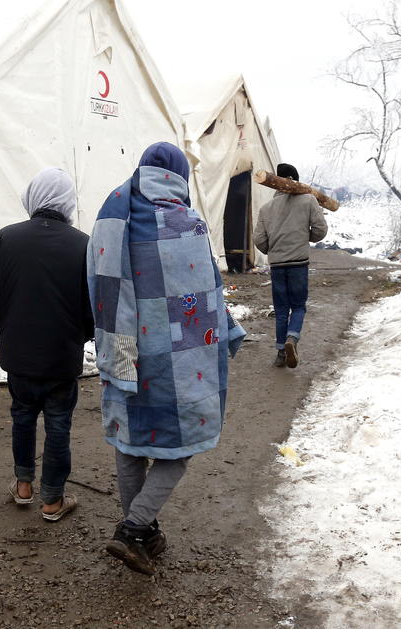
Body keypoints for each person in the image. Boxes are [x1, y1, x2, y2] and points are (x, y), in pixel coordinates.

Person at [87, 142, 246, 575]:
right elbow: (208, 292)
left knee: (130, 443)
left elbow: (97, 286)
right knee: (179, 448)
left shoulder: (110, 216)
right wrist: (228, 331)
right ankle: (134, 529)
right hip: (177, 360)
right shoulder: (187, 223)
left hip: (122, 352)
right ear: (179, 176)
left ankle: (147, 532)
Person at [0, 168, 93, 521]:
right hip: (62, 357)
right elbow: (92, 306)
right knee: (59, 424)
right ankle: (52, 500)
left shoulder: (5, 238)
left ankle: (24, 486)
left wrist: (12, 332)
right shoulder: (83, 243)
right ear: (66, 202)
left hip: (19, 356)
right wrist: (79, 336)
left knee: (23, 417)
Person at [254, 163, 328, 368]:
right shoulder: (309, 200)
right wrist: (306, 237)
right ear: (296, 180)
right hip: (299, 263)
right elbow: (321, 230)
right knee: (298, 306)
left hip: (277, 266)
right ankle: (292, 339)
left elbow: (259, 240)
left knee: (280, 309)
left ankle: (280, 354)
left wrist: (273, 249)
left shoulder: (266, 208)